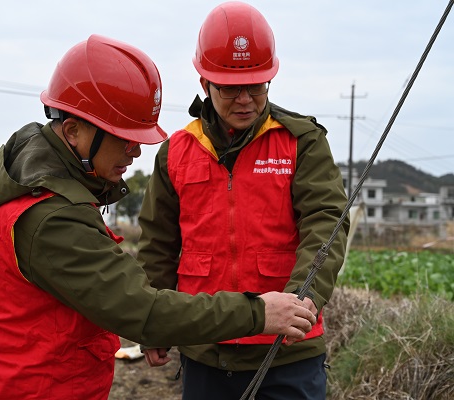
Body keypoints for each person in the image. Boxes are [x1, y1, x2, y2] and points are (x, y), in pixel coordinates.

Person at [0, 34, 316, 400]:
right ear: (73, 131)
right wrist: (259, 312)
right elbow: (143, 309)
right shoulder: (53, 217)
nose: (135, 152)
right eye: (123, 137)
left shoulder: (20, 183)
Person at [137, 2, 350, 399]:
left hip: (287, 351)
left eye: (257, 86)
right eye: (230, 88)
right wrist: (153, 325)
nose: (245, 100)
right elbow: (157, 243)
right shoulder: (176, 150)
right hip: (204, 346)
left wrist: (304, 299)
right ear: (205, 83)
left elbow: (326, 222)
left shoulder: (301, 140)